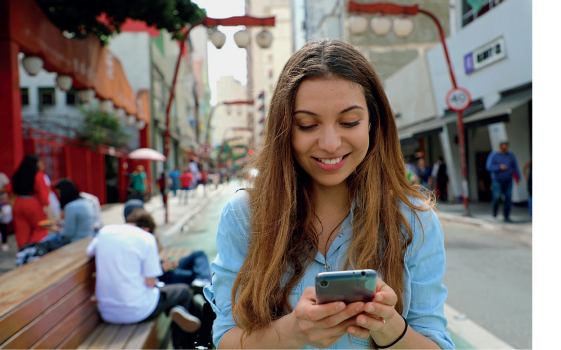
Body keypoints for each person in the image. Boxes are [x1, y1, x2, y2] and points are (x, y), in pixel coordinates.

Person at [204, 39, 453, 350]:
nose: (331, 143)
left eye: (349, 122)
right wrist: (294, 330)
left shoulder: (414, 217)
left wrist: (390, 329)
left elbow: (436, 341)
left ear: (373, 124)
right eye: (307, 125)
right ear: (285, 130)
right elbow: (225, 339)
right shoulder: (244, 215)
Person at [87, 208, 203, 349]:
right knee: (184, 292)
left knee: (174, 298)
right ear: (147, 229)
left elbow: (90, 251)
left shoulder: (105, 232)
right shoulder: (146, 238)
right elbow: (150, 283)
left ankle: (177, 312)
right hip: (137, 311)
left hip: (106, 312)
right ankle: (183, 345)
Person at [11, 155, 50, 249]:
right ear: (36, 164)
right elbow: (43, 195)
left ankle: (23, 251)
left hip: (18, 203)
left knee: (21, 231)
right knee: (40, 229)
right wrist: (48, 212)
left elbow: (11, 192)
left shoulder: (17, 175)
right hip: (33, 204)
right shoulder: (38, 175)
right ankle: (35, 250)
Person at [43, 179, 96, 246]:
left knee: (44, 241)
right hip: (88, 239)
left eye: (59, 192)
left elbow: (68, 233)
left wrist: (54, 228)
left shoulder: (71, 207)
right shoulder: (86, 202)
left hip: (76, 243)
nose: (58, 195)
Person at [485, 141, 520, 222]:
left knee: (508, 197)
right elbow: (488, 167)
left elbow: (515, 166)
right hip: (497, 179)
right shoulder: (493, 155)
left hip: (508, 179)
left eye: (506, 147)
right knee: (497, 196)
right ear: (500, 147)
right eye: (503, 147)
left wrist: (518, 177)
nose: (505, 148)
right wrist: (499, 167)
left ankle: (506, 216)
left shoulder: (511, 155)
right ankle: (494, 210)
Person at [0, 172, 12, 251]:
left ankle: (4, 242)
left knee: (2, 223)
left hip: (2, 202)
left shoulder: (2, 176)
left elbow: (8, 188)